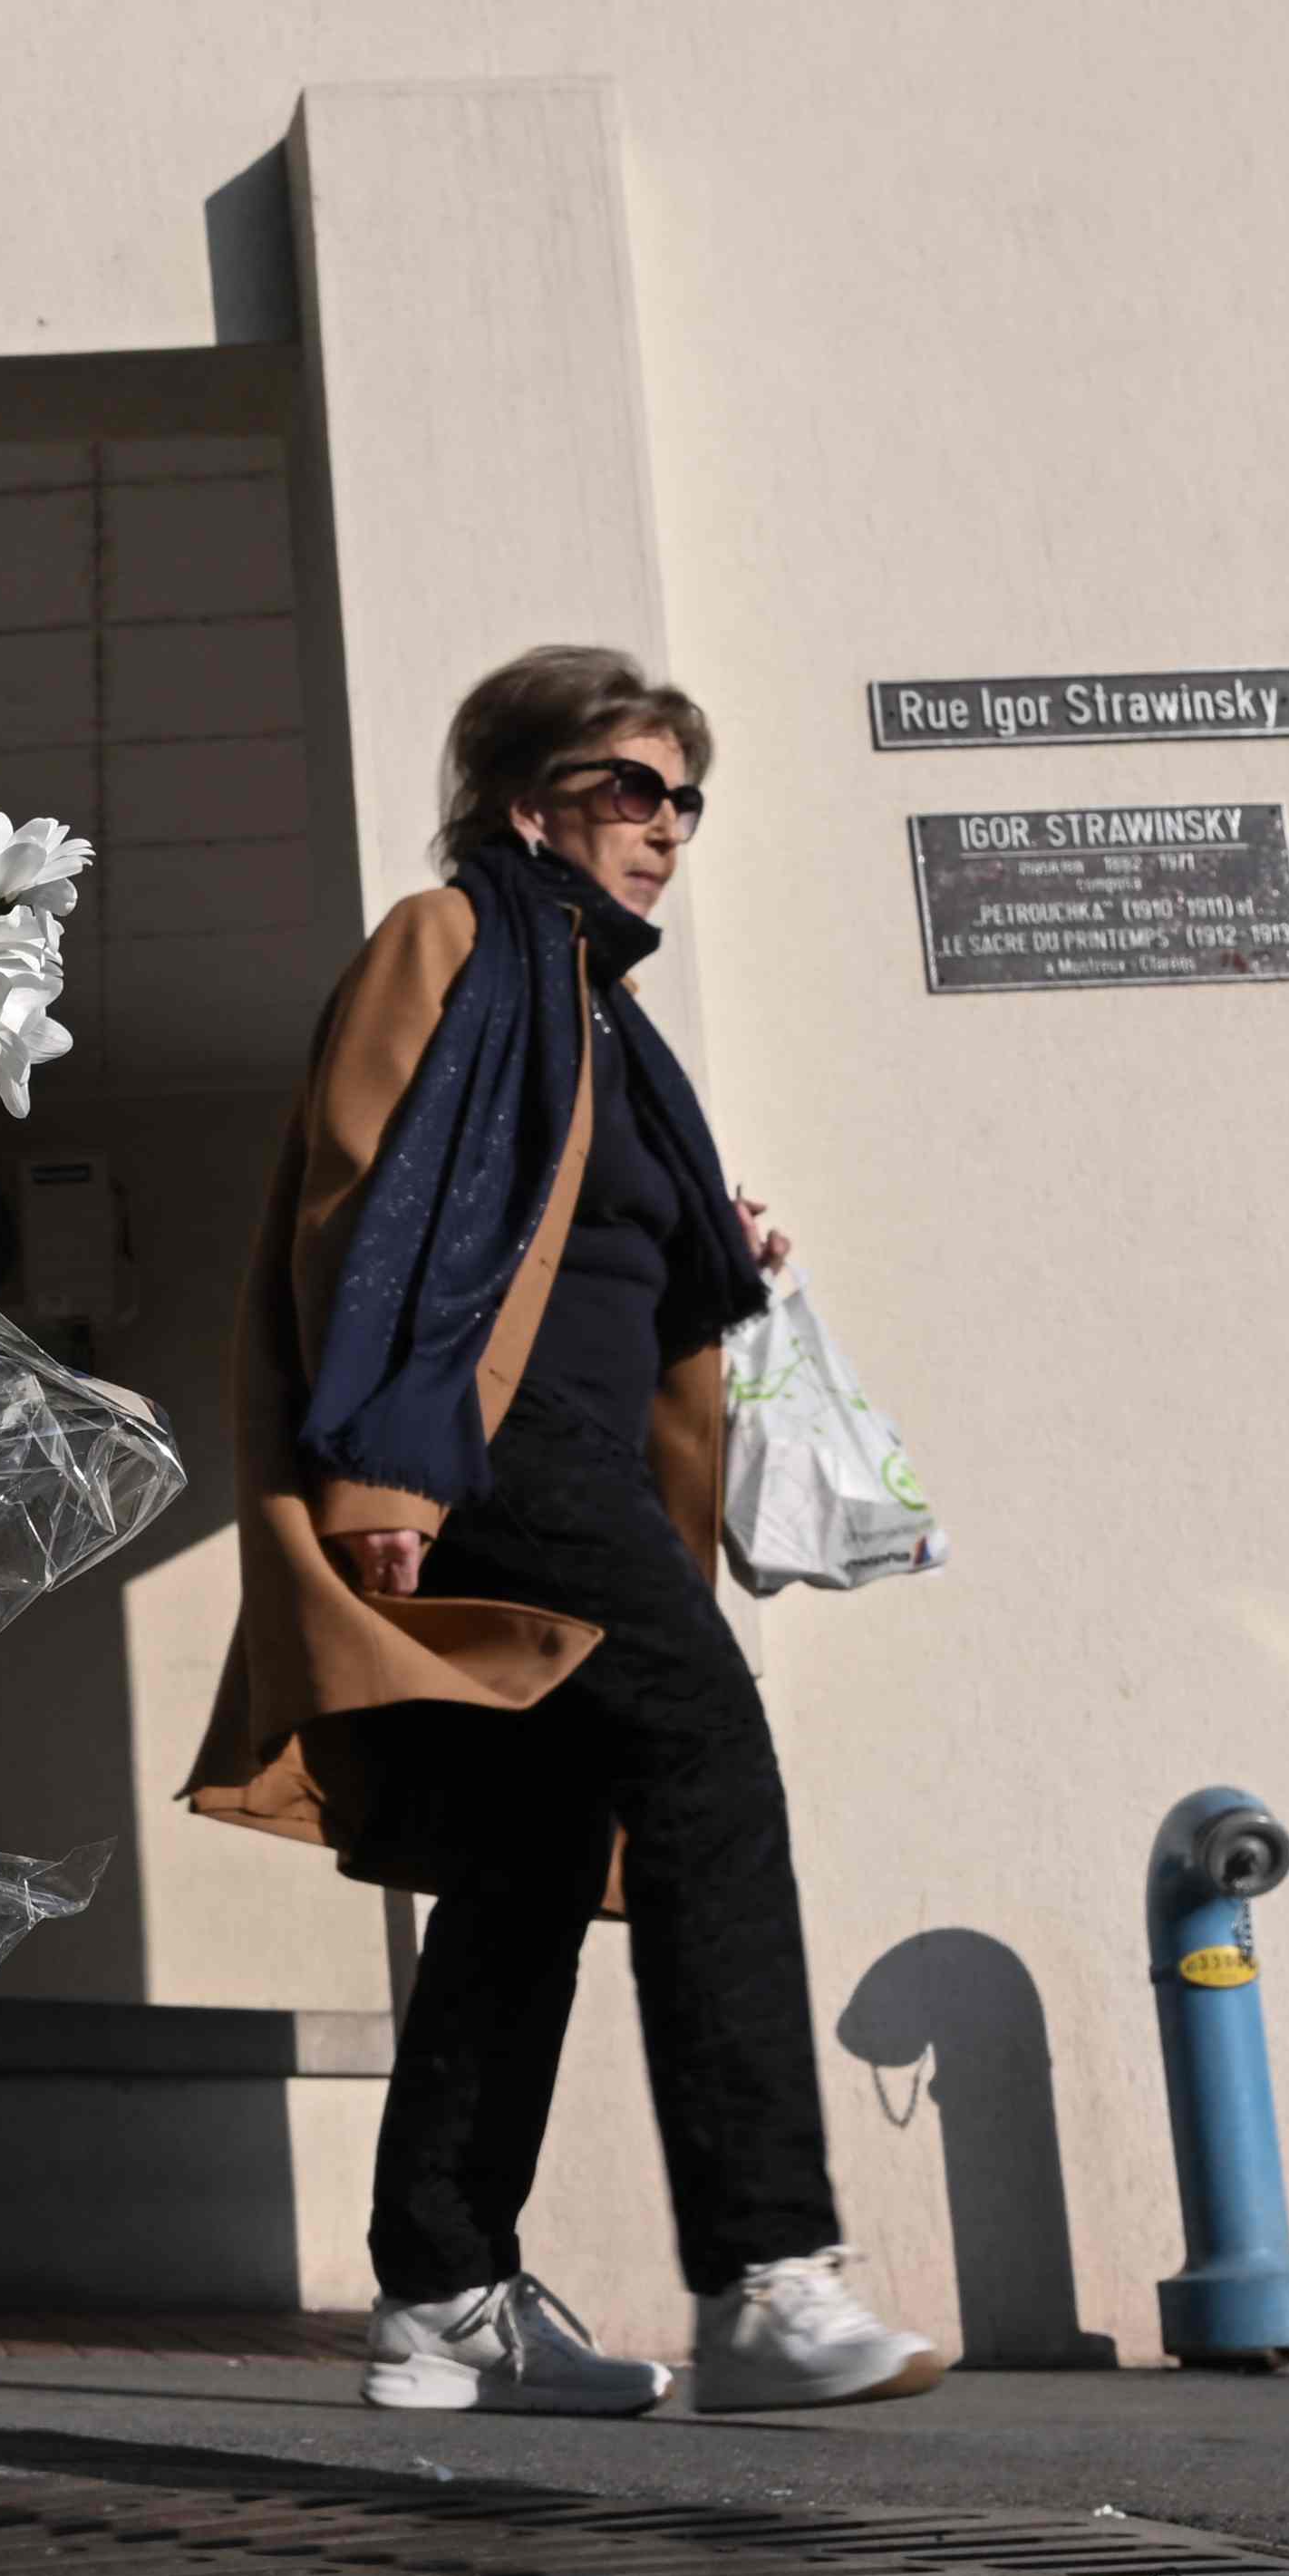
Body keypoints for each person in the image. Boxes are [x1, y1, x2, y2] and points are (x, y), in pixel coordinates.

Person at [183, 644, 951, 2416]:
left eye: (686, 798)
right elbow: (368, 1199)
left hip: (586, 1457)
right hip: (490, 1446)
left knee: (527, 1857)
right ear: (529, 802)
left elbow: (581, 1239)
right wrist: (386, 1476)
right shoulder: (451, 942)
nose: (666, 826)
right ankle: (767, 2270)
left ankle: (442, 2288)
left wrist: (718, 1242)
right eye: (630, 787)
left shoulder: (604, 1015)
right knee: (707, 1750)